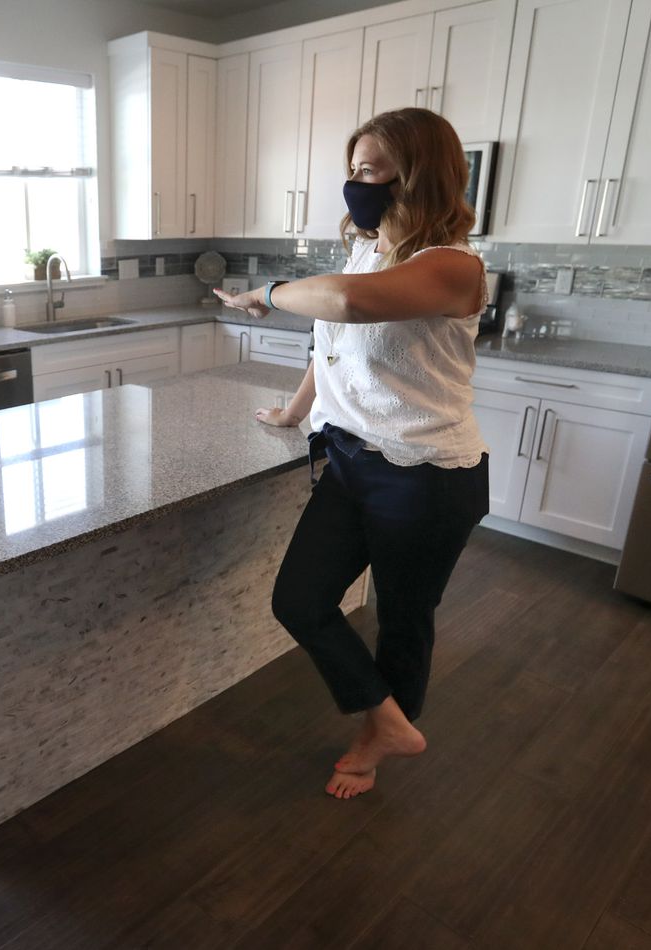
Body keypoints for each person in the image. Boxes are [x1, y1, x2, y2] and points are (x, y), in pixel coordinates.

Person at [213, 108, 490, 800]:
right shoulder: (368, 252)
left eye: (369, 171)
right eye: (354, 169)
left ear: (417, 176)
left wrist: (266, 293)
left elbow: (343, 304)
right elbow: (332, 344)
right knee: (299, 599)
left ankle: (374, 741)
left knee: (402, 621)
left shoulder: (453, 266)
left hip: (426, 477)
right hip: (351, 463)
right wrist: (293, 411)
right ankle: (390, 723)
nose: (355, 184)